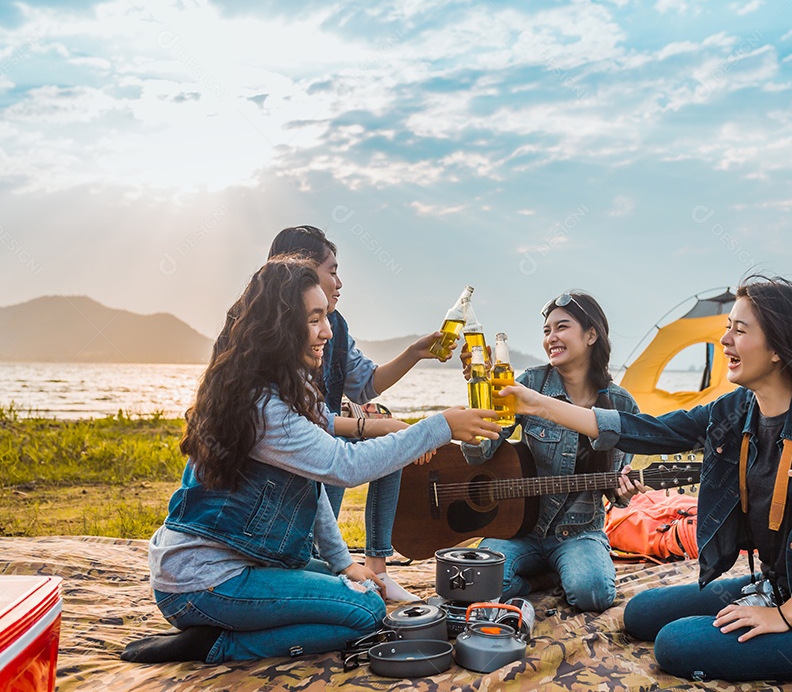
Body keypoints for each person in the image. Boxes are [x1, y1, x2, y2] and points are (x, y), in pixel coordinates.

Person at [501, 276, 792, 682]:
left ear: (778, 347)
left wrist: (786, 615)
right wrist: (537, 404)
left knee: (675, 644)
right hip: (777, 587)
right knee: (640, 613)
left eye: (740, 330)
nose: (725, 342)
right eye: (727, 329)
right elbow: (645, 430)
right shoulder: (736, 411)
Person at [121, 257, 500, 664]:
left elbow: (311, 484)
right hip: (204, 582)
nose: (327, 330)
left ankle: (227, 625)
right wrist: (440, 426)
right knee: (367, 612)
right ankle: (215, 644)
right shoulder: (263, 407)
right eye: (314, 319)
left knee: (363, 589)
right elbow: (345, 466)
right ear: (280, 329)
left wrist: (342, 564)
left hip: (225, 568)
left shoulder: (286, 388)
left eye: (327, 316)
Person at [268, 226, 451, 602]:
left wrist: (415, 352)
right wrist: (376, 425)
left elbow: (365, 382)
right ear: (301, 271)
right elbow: (300, 423)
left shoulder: (333, 326)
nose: (339, 282)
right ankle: (318, 563)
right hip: (288, 462)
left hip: (320, 439)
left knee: (382, 439)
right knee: (370, 441)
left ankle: (377, 569)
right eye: (332, 270)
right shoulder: (267, 337)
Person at [461, 291, 643, 613]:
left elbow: (617, 491)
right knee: (473, 581)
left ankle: (563, 569)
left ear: (591, 335)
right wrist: (481, 401)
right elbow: (481, 451)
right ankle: (540, 581)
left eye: (562, 327)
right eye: (547, 331)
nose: (551, 337)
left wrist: (624, 491)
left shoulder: (622, 404)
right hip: (519, 530)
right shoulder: (530, 383)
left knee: (593, 594)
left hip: (579, 532)